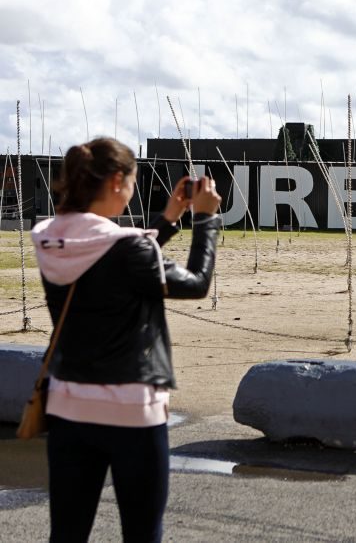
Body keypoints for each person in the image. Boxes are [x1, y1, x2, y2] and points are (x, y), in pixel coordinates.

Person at [30, 137, 222, 542]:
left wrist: (169, 220)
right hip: (132, 411)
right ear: (117, 181)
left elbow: (117, 263)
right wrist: (205, 219)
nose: (133, 188)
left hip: (68, 405)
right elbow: (197, 284)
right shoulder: (127, 248)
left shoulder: (50, 238)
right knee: (141, 533)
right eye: (132, 180)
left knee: (67, 533)